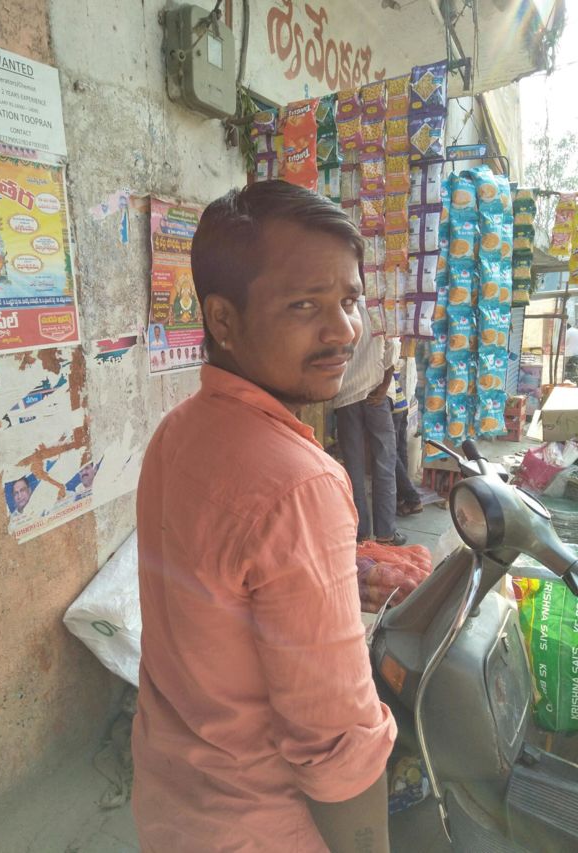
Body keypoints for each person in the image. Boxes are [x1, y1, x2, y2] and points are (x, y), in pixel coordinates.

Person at [134, 180, 396, 853]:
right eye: (305, 304)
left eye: (349, 301)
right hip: (265, 825)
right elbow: (336, 743)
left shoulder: (179, 429)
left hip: (175, 801)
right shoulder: (301, 484)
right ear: (223, 320)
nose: (342, 330)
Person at [333, 308, 406, 545]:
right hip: (376, 395)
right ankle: (385, 533)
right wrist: (384, 386)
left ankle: (360, 532)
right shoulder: (379, 308)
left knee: (353, 467)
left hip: (346, 397)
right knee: (384, 462)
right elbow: (393, 347)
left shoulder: (340, 310)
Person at [391, 370, 422, 516]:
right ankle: (401, 497)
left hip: (392, 407)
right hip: (401, 403)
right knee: (399, 452)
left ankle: (412, 498)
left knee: (391, 455)